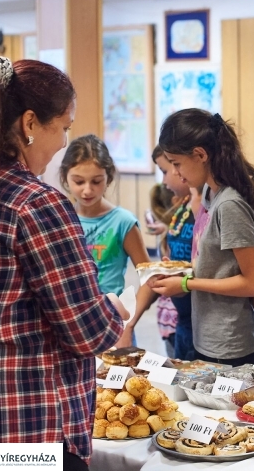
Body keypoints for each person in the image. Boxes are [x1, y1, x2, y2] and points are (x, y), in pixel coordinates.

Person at [0, 57, 125, 470]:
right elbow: (89, 332)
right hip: (26, 428)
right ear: (30, 123)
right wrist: (113, 311)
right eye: (65, 127)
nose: (63, 143)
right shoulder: (35, 203)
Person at [152, 109, 254, 366]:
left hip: (230, 341)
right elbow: (214, 264)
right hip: (208, 333)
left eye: (176, 163)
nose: (176, 172)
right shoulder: (209, 192)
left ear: (200, 155)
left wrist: (186, 284)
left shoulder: (229, 204)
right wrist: (179, 271)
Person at [59, 134, 155, 348]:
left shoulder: (123, 222)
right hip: (71, 326)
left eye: (96, 181)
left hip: (113, 325)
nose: (87, 190)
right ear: (65, 177)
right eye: (78, 181)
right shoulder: (61, 220)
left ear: (108, 177)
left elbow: (150, 278)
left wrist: (128, 324)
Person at [124, 146, 199, 361]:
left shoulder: (208, 209)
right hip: (183, 323)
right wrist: (129, 324)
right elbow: (155, 276)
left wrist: (185, 283)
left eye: (166, 170)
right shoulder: (182, 208)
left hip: (212, 331)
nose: (165, 182)